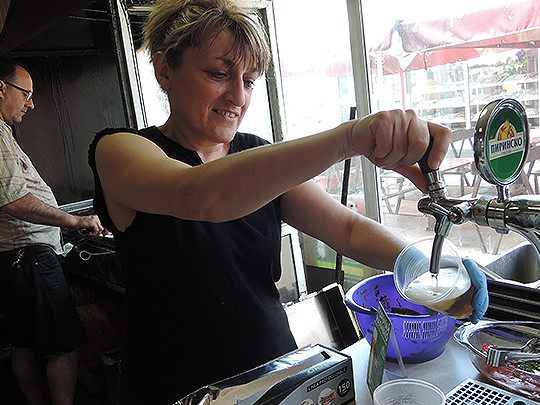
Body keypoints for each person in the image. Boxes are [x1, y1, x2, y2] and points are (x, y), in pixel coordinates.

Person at [88, 0, 488, 403]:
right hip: (178, 391)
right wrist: (350, 138)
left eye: (249, 81)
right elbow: (198, 195)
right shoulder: (119, 150)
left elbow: (347, 228)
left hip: (277, 382)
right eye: (218, 73)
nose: (237, 95)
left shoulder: (256, 156)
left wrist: (427, 266)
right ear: (164, 70)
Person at [0, 58, 106, 405]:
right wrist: (76, 221)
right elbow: (13, 200)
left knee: (24, 342)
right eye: (26, 94)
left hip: (12, 259)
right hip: (28, 256)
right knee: (63, 345)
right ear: (1, 88)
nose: (30, 104)